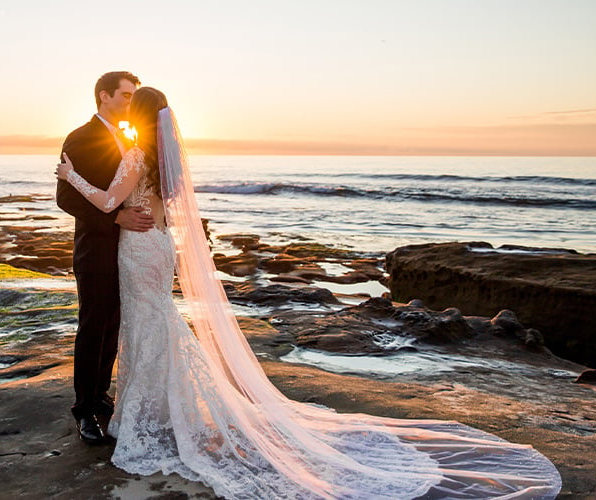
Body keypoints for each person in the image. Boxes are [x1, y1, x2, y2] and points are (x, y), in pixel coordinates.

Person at [56, 87, 562, 499]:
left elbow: (106, 198)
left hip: (139, 250)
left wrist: (70, 176)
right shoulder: (164, 160)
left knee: (148, 326)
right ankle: (139, 409)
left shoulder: (138, 152)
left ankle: (142, 415)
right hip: (157, 246)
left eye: (130, 100)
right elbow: (145, 205)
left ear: (137, 113)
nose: (124, 105)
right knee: (155, 324)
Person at [55, 71, 153, 444]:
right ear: (104, 97)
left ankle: (101, 396)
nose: (131, 102)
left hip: (129, 251)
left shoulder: (129, 138)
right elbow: (65, 197)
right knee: (93, 326)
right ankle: (84, 411)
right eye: (126, 96)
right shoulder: (80, 137)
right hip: (95, 249)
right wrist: (115, 216)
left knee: (113, 326)